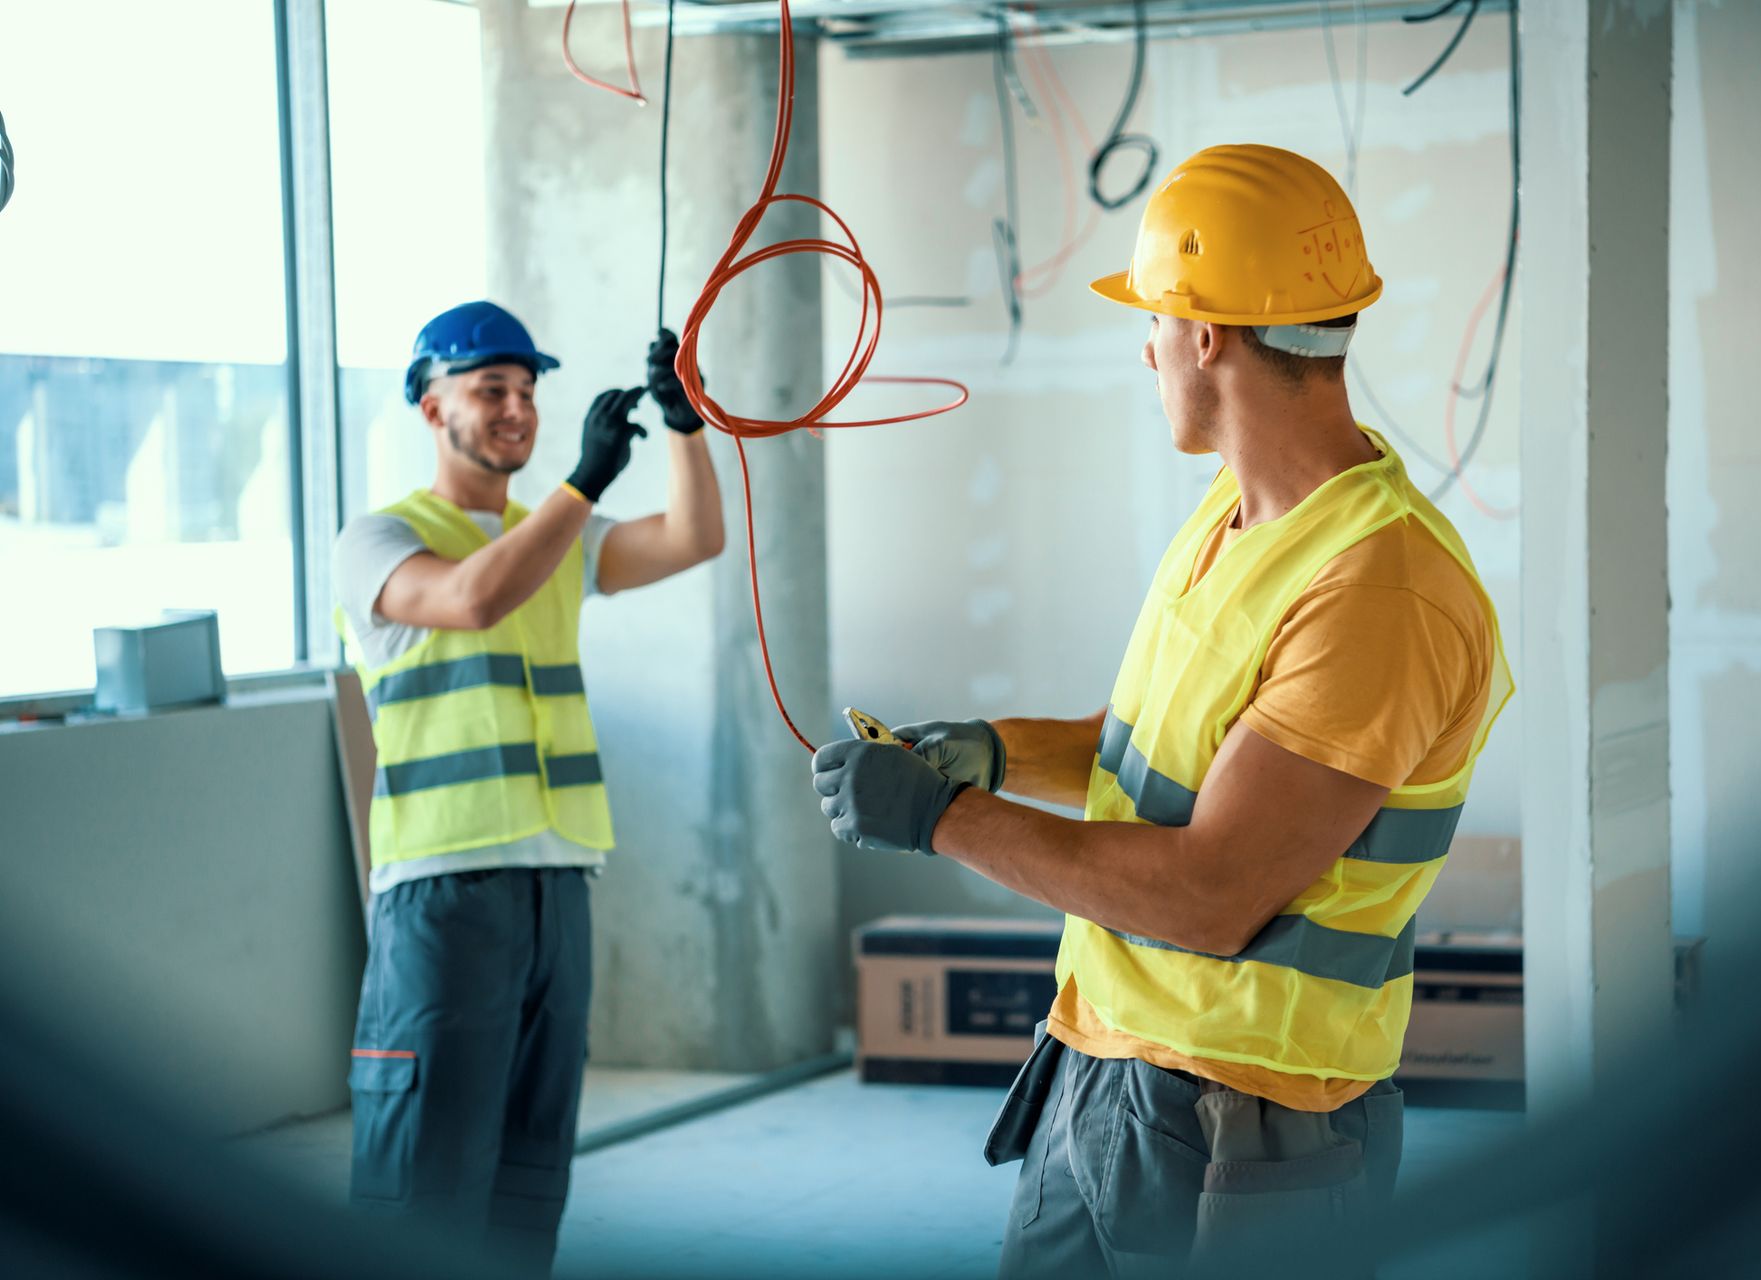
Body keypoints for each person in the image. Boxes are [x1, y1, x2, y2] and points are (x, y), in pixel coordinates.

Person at [811, 145, 1512, 1276]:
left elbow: (1215, 893)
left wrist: (940, 820)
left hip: (1255, 1119)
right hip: (1103, 1062)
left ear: (1206, 334)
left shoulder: (1381, 588)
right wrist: (985, 753)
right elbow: (1145, 743)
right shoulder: (1236, 517)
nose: (1146, 349)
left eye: (1153, 321)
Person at [331, 301, 723, 1274]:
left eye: (526, 390)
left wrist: (686, 424)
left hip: (557, 881)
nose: (516, 407)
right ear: (432, 408)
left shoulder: (551, 538)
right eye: (488, 389)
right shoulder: (379, 539)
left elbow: (694, 537)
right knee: (427, 1167)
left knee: (528, 1168)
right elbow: (470, 596)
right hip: (444, 887)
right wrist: (584, 481)